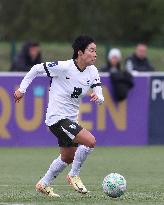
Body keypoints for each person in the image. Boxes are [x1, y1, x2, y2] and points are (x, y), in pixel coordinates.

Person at [14, 35, 104, 197]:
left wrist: (99, 98)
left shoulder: (92, 71)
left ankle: (43, 183)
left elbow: (99, 93)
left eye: (95, 51)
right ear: (80, 52)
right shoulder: (64, 67)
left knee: (67, 157)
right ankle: (74, 175)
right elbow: (35, 69)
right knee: (90, 141)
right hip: (56, 118)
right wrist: (22, 89)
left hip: (70, 120)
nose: (95, 54)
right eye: (91, 50)